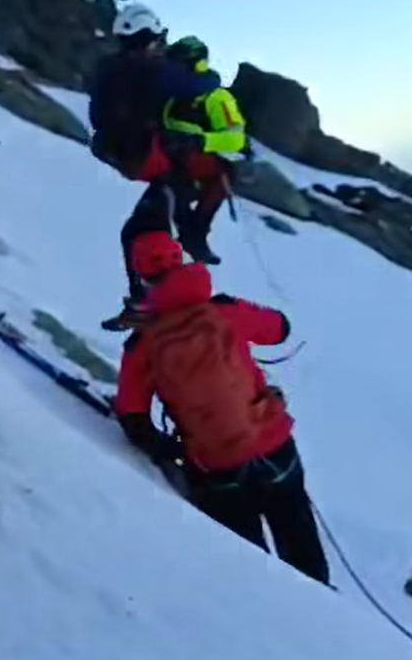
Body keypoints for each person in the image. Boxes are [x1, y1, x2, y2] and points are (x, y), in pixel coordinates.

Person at [110, 231, 331, 586]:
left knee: (251, 570)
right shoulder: (225, 310)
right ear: (180, 259)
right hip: (274, 448)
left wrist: (170, 449)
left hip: (217, 468)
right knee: (301, 546)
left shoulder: (142, 344)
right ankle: (324, 605)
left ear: (141, 276)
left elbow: (132, 416)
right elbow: (280, 328)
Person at [86, 3, 222, 304]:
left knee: (148, 215)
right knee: (212, 173)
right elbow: (206, 84)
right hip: (147, 154)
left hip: (117, 151)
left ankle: (142, 289)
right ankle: (192, 237)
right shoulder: (156, 70)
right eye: (158, 39)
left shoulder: (108, 67)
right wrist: (195, 68)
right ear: (149, 37)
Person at [156, 36, 252, 265]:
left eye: (178, 62)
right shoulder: (169, 93)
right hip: (162, 149)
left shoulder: (217, 98)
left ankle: (196, 233)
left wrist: (199, 141)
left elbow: (235, 138)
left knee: (223, 174)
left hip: (192, 156)